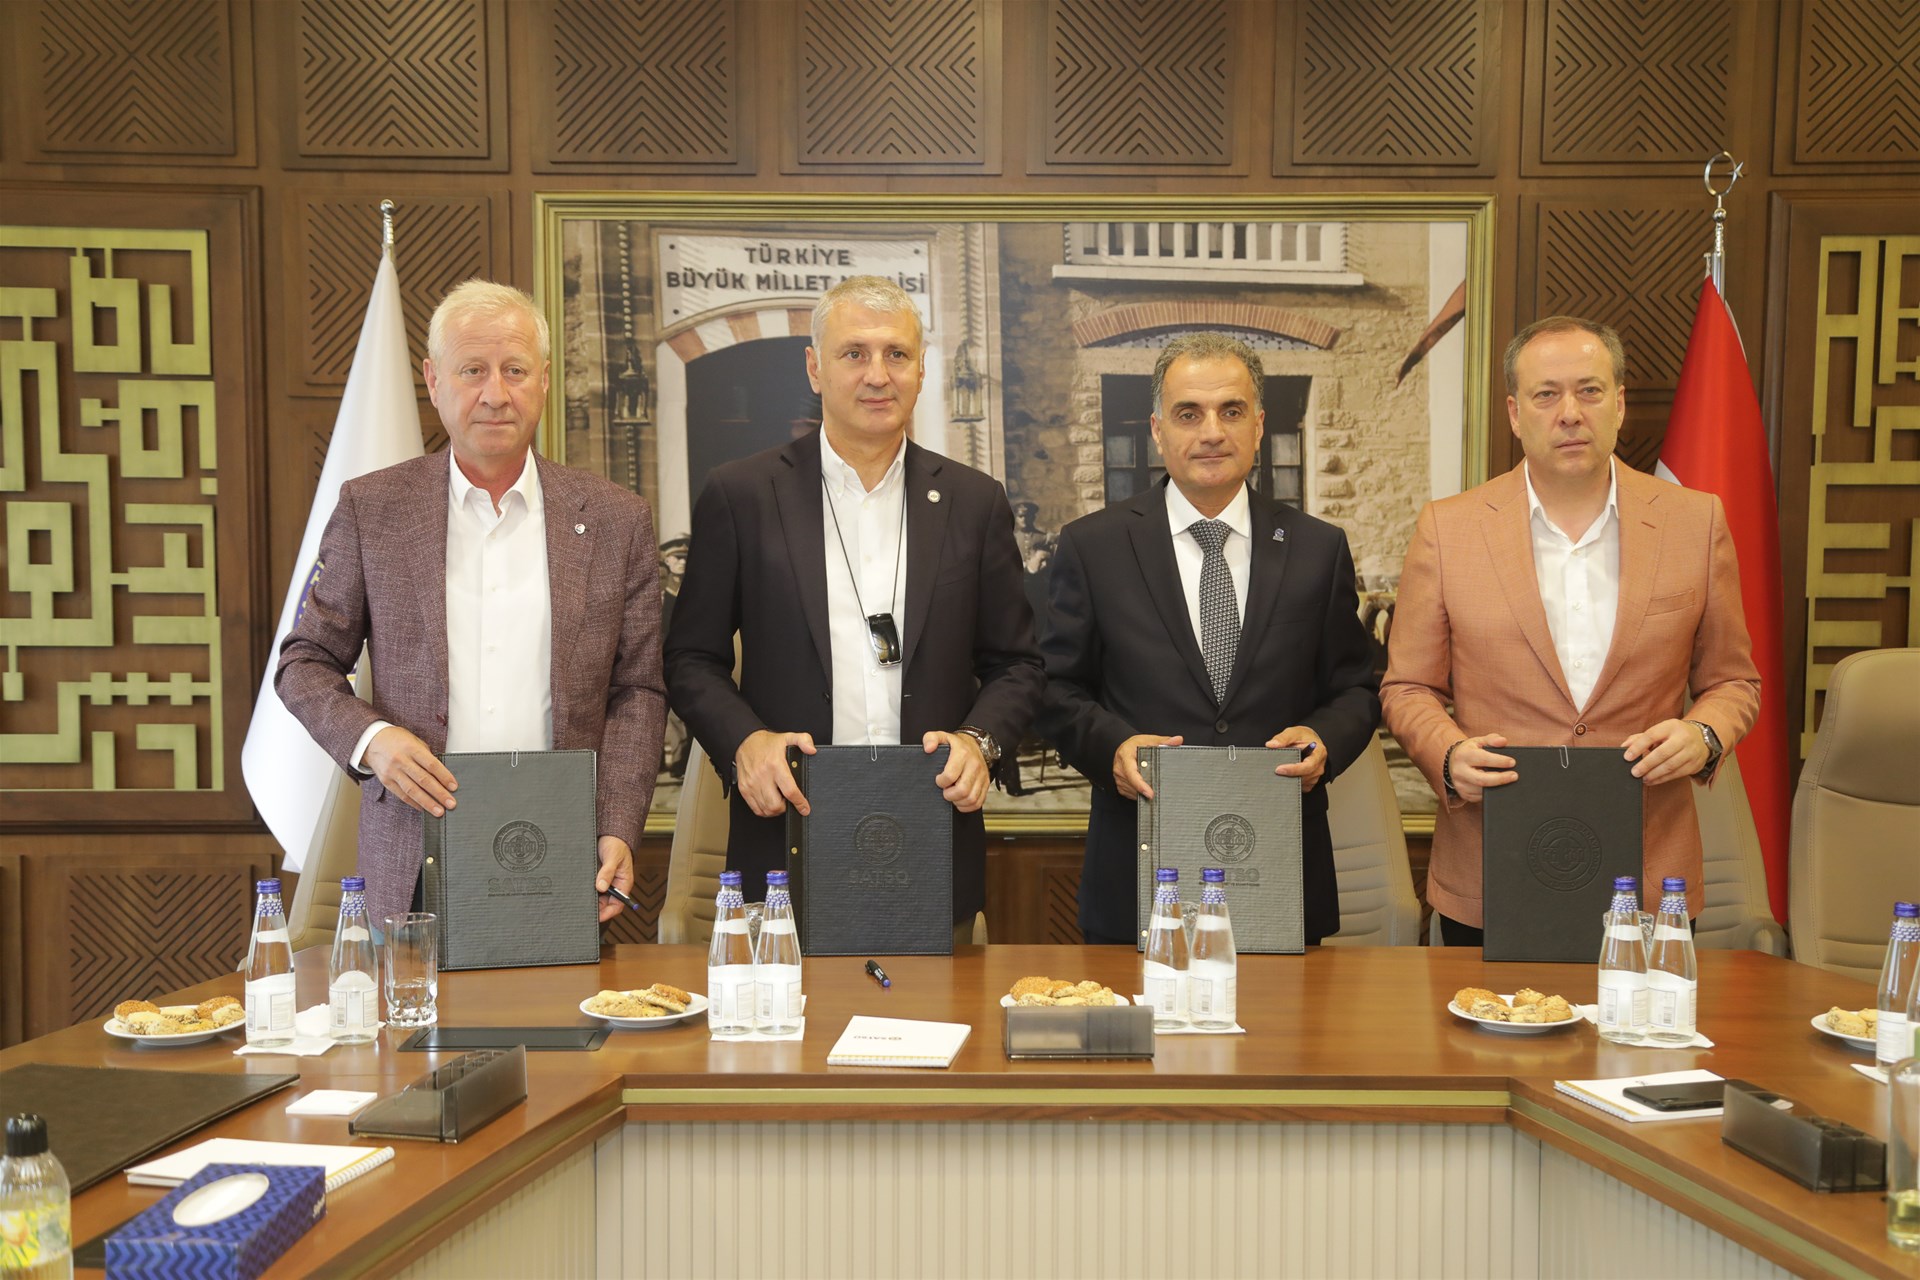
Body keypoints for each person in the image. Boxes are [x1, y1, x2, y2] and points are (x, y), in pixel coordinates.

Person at [276, 279, 666, 928]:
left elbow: (639, 689)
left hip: (563, 849)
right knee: (413, 1002)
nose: (495, 393)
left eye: (515, 370)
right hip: (415, 855)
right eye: (472, 370)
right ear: (433, 381)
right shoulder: (374, 509)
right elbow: (304, 661)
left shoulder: (615, 520)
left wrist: (619, 823)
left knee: (563, 999)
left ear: (544, 380)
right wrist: (373, 741)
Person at [663, 276, 1043, 942]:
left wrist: (979, 743)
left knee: (934, 1010)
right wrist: (744, 741)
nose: (877, 374)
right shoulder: (742, 494)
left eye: (896, 354)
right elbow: (691, 657)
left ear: (921, 370)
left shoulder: (973, 502)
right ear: (815, 368)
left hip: (931, 833)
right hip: (785, 834)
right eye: (854, 354)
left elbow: (1018, 664)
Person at [1381, 315, 1761, 944]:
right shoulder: (1449, 529)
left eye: (1589, 391)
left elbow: (1734, 681)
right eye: (1545, 394)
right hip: (1492, 862)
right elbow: (1407, 688)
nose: (1569, 414)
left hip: (1648, 868)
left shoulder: (1695, 524)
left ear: (1619, 403)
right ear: (1514, 413)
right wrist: (1447, 754)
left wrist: (1705, 734)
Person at [1038, 333, 1381, 946]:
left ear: (1259, 425)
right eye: (1188, 414)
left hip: (1279, 867)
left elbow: (1355, 687)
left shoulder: (1317, 549)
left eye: (1232, 411)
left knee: (1287, 1017)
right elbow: (1055, 688)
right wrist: (1112, 747)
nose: (1212, 432)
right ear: (1158, 430)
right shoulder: (1093, 547)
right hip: (1137, 868)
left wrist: (1324, 739)